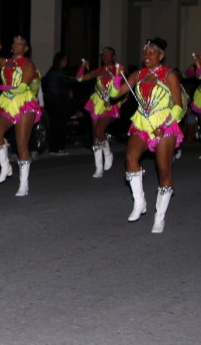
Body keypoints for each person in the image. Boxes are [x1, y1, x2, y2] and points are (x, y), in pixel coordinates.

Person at [108, 37, 184, 233]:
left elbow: (178, 106)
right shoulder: (138, 74)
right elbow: (114, 94)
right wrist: (117, 75)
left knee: (164, 171)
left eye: (152, 53)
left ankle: (160, 216)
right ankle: (139, 201)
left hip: (164, 124)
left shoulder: (169, 75)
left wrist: (164, 126)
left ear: (161, 55)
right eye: (145, 53)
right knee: (130, 157)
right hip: (142, 122)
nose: (147, 56)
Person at [0, 36, 42, 196]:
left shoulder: (28, 64)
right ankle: (6, 167)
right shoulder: (5, 62)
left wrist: (0, 87)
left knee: (21, 144)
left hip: (24, 102)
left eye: (20, 43)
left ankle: (24, 184)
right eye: (14, 43)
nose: (16, 45)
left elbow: (22, 87)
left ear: (26, 48)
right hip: (7, 101)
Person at [75, 47, 122, 177]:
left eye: (108, 54)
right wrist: (82, 66)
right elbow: (79, 78)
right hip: (97, 102)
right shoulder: (98, 71)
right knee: (95, 135)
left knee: (99, 131)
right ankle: (98, 167)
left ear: (113, 56)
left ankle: (108, 153)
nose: (105, 56)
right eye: (103, 55)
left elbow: (123, 91)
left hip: (109, 104)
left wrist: (113, 101)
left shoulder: (118, 70)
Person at [42, 52, 72, 156]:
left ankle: (57, 148)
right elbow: (65, 83)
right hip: (57, 102)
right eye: (64, 60)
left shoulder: (52, 72)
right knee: (57, 125)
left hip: (54, 102)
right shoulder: (56, 73)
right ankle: (55, 148)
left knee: (57, 125)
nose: (66, 62)